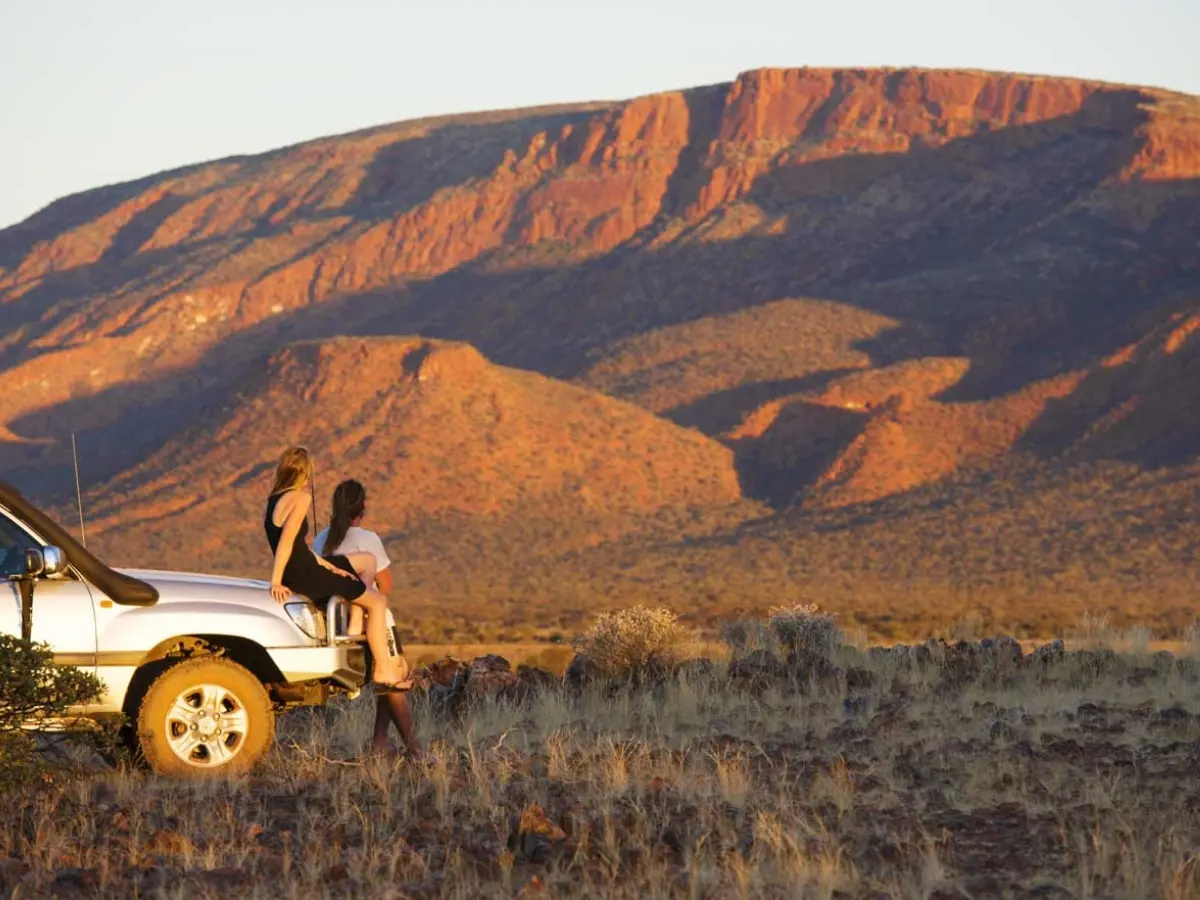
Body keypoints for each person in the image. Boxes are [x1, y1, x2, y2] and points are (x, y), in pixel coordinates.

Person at [262, 447, 409, 693]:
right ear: (303, 472)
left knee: (367, 561)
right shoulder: (300, 498)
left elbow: (294, 546)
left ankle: (354, 618)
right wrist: (275, 581)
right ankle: (383, 670)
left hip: (304, 568)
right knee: (377, 601)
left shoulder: (272, 502)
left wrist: (329, 566)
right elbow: (286, 543)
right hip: (304, 575)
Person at [314, 479, 423, 760]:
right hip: (372, 617)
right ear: (362, 506)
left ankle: (380, 741)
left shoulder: (320, 539)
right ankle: (416, 751)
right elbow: (384, 585)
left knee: (385, 675)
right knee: (393, 675)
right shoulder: (368, 539)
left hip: (334, 623)